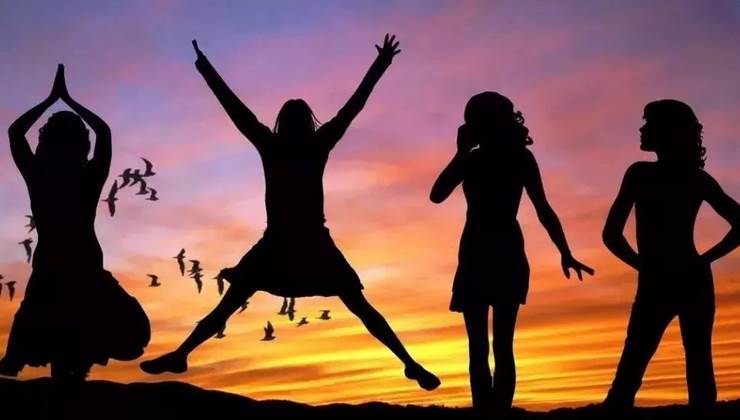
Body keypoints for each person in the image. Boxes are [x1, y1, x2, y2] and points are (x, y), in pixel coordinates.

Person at [140, 35, 440, 391]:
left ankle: (181, 354)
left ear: (283, 123)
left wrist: (205, 68)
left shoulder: (276, 144)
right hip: (297, 242)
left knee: (233, 303)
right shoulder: (312, 143)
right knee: (357, 306)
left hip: (293, 242)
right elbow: (351, 107)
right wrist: (380, 65)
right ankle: (409, 363)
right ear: (306, 123)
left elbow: (237, 110)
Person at [430, 92, 593, 413]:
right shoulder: (492, 159)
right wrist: (461, 153)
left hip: (492, 252)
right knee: (492, 347)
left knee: (487, 347)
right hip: (488, 253)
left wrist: (565, 251)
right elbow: (436, 195)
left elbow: (543, 209)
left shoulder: (507, 159)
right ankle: (492, 413)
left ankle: (493, 413)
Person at [0, 65, 150, 382]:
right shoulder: (86, 175)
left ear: (46, 142)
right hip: (78, 266)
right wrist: (68, 99)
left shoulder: (39, 174)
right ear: (82, 144)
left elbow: (15, 133)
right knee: (75, 347)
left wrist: (52, 99)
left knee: (61, 342)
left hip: (58, 268)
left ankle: (22, 363)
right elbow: (104, 133)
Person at [603, 99, 740, 410]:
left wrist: (642, 264)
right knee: (696, 364)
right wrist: (704, 260)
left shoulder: (640, 174)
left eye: (648, 123)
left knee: (632, 369)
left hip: (661, 279)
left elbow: (611, 235)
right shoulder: (695, 179)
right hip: (689, 277)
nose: (642, 129)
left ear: (667, 131)